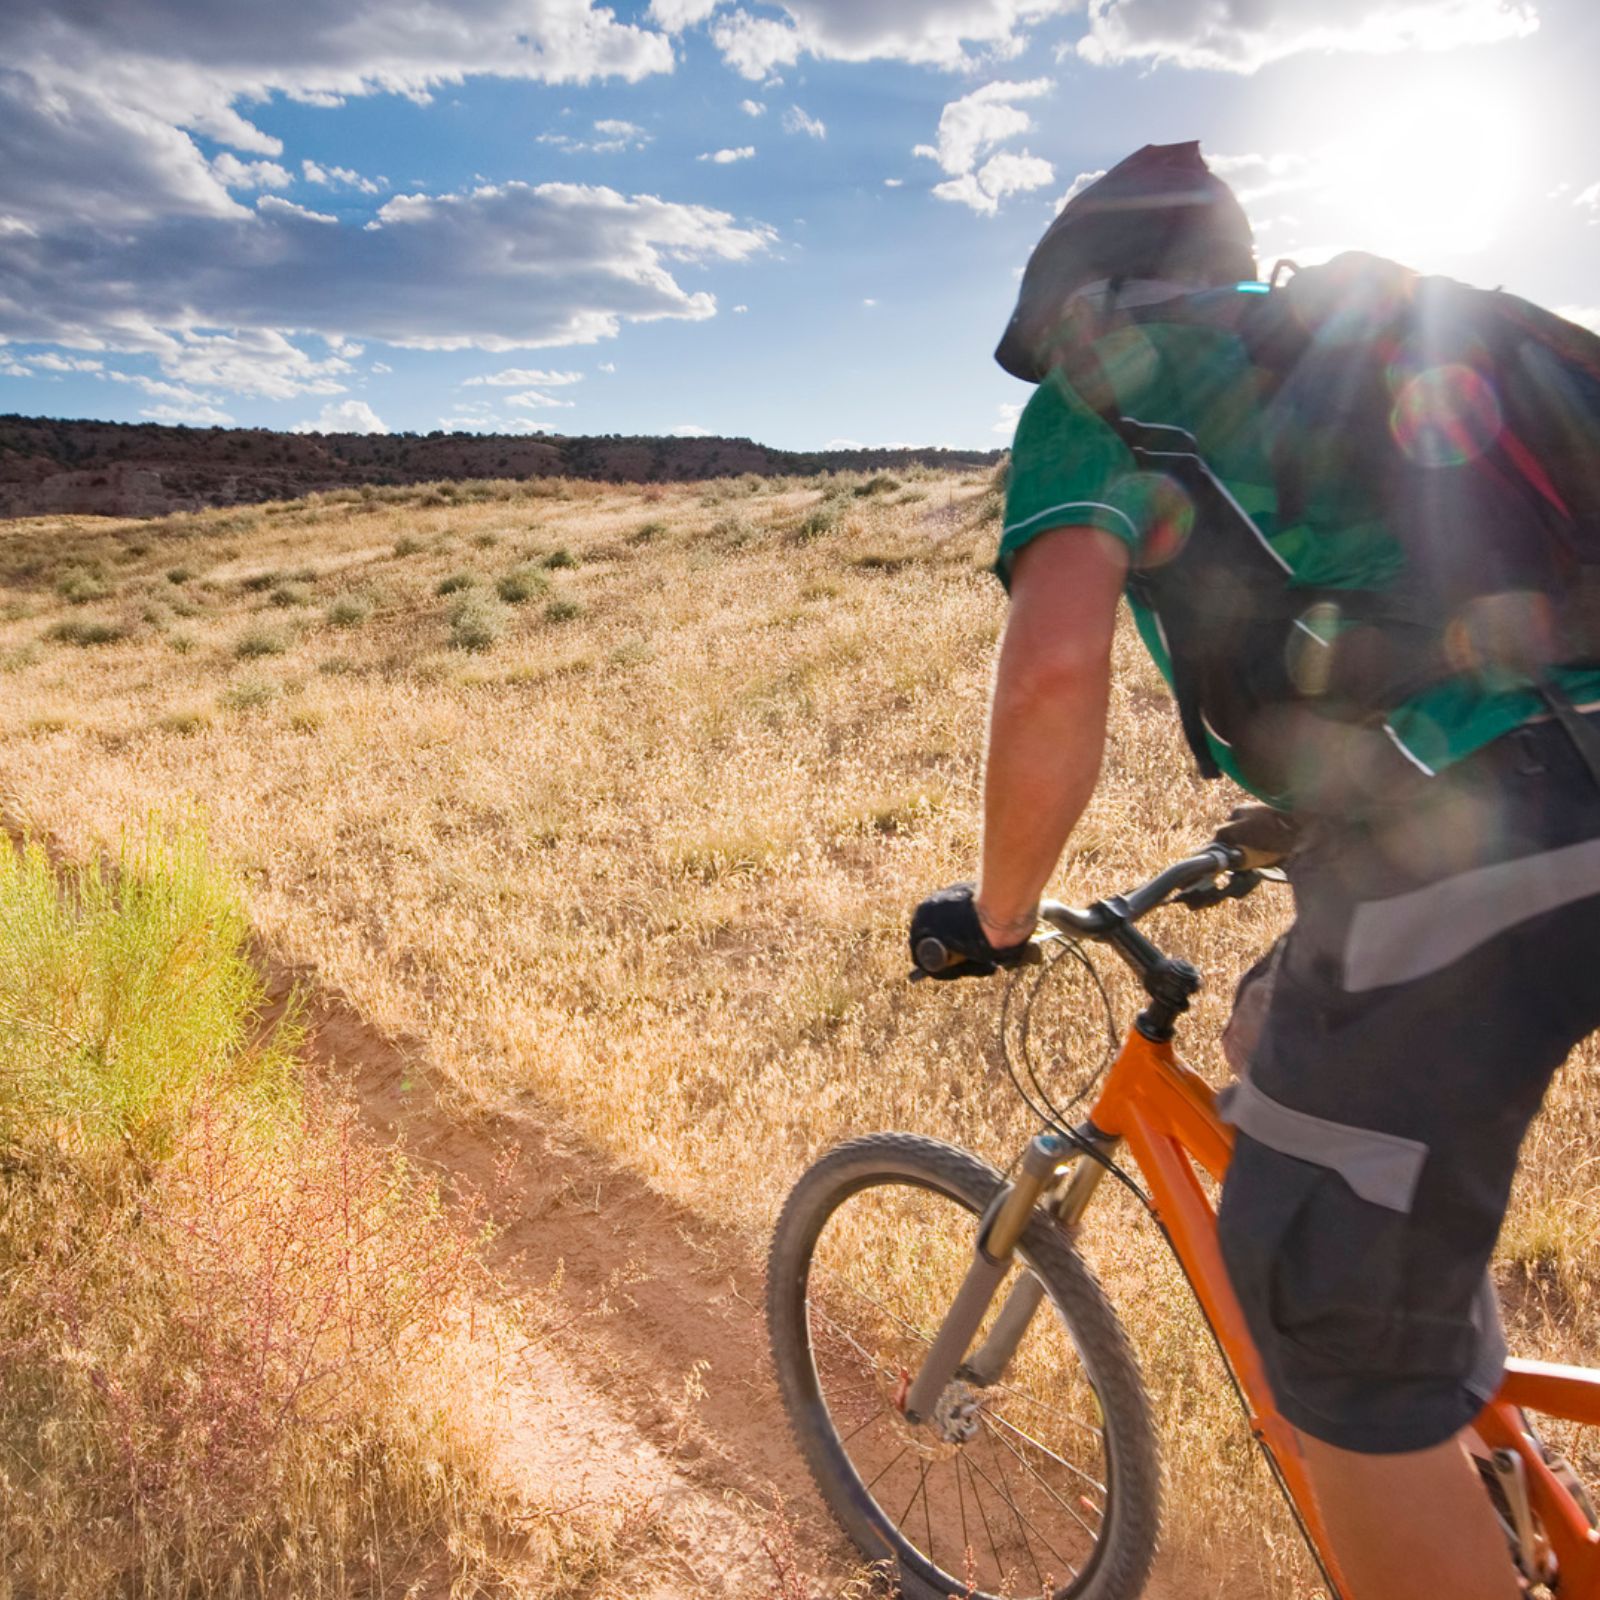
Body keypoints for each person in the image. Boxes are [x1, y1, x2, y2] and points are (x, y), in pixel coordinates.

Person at [911, 141, 1600, 1600]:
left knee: (1327, 1313)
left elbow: (1051, 679)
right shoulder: (1351, 345)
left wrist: (997, 915)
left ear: (1082, 301)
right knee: (1277, 1030)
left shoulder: (1106, 390)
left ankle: (1406, 1413)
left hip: (1494, 835)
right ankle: (1470, 1435)